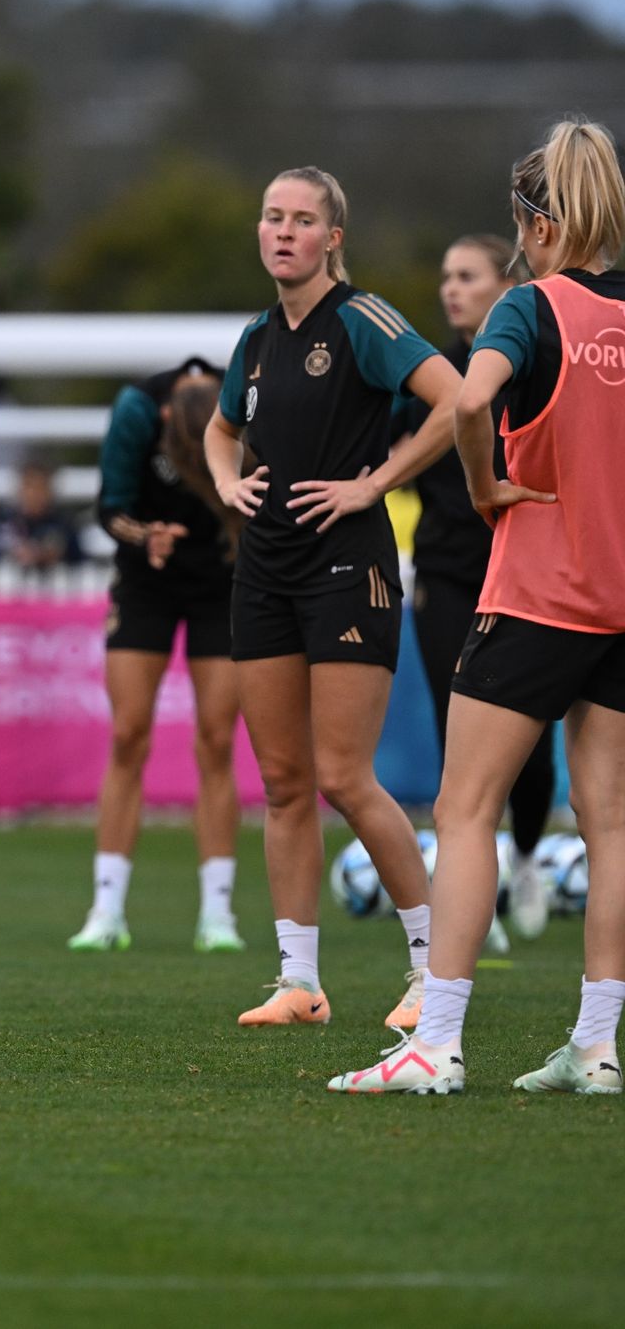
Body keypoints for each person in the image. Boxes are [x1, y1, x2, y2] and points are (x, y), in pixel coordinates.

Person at [330, 120, 625, 1095]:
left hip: (538, 599)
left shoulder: (527, 308)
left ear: (533, 226)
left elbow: (463, 402)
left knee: (463, 810)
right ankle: (595, 1046)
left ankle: (437, 1043)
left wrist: (487, 483)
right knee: (609, 825)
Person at [202, 166, 463, 1031]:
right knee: (283, 783)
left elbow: (456, 400)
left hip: (349, 567)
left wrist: (374, 484)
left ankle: (433, 973)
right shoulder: (254, 337)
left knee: (348, 777)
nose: (283, 231)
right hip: (265, 571)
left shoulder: (363, 320)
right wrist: (225, 482)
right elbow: (219, 427)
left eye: (302, 220)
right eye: (272, 216)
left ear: (332, 238)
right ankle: (299, 984)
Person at [389, 234, 556, 941]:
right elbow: (386, 459)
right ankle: (471, 896)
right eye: (445, 275)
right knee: (460, 743)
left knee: (533, 749)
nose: (451, 288)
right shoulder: (429, 376)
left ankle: (523, 859)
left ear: (505, 282)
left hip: (525, 576)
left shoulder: (531, 359)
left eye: (467, 275)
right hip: (447, 573)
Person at [70, 361, 244, 954]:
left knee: (217, 741)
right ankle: (106, 909)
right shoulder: (135, 412)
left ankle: (217, 914)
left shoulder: (245, 399)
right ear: (166, 422)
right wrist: (147, 535)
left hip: (222, 582)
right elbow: (108, 510)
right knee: (128, 734)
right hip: (146, 583)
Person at [0, 456, 81, 569]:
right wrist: (13, 553)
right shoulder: (1, 522)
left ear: (50, 491)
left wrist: (47, 555)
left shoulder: (63, 525)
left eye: (41, 487)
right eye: (30, 486)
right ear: (20, 489)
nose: (34, 494)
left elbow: (79, 561)